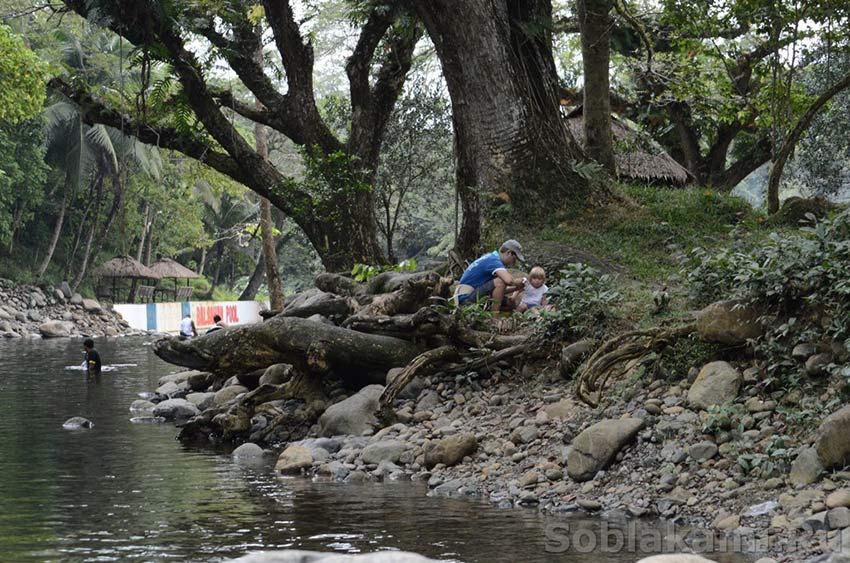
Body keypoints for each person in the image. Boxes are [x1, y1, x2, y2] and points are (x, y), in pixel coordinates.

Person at [457, 239, 525, 312]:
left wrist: (516, 288)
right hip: (466, 299)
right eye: (514, 259)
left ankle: (487, 314)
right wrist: (517, 282)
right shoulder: (493, 260)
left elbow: (498, 291)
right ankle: (494, 319)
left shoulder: (491, 258)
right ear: (508, 253)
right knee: (501, 281)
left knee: (510, 303)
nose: (514, 263)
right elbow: (508, 280)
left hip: (475, 294)